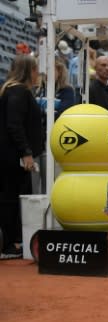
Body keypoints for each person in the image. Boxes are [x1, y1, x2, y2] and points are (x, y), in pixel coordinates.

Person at [0, 54, 43, 259]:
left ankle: (13, 240)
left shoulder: (13, 90)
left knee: (12, 196)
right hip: (12, 157)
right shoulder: (18, 91)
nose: (38, 74)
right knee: (11, 197)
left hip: (11, 155)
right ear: (29, 71)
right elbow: (14, 125)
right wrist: (26, 152)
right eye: (35, 70)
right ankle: (10, 243)